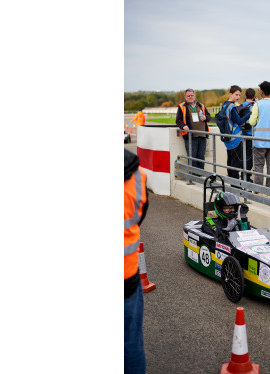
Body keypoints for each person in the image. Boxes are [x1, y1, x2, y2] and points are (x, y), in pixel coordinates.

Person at [124, 149, 149, 373]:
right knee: (131, 344)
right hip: (128, 278)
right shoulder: (138, 175)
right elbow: (140, 216)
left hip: (128, 277)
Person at [176, 89, 212, 175]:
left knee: (201, 157)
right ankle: (193, 176)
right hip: (190, 136)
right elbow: (178, 120)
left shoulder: (201, 105)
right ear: (185, 97)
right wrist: (183, 126)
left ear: (194, 96)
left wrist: (205, 117)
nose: (190, 97)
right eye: (188, 96)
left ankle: (200, 175)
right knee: (192, 157)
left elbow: (209, 117)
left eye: (192, 95)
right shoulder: (182, 106)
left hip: (202, 136)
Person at [220, 85, 252, 182]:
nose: (238, 97)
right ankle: (235, 185)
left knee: (230, 162)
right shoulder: (232, 107)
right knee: (236, 163)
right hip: (235, 139)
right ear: (230, 94)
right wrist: (250, 113)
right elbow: (239, 121)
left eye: (239, 95)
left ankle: (231, 183)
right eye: (236, 94)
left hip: (228, 138)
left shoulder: (224, 105)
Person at [235, 88, 257, 183]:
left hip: (242, 135)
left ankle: (241, 175)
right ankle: (247, 177)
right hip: (252, 135)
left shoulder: (240, 106)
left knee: (242, 156)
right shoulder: (255, 106)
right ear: (254, 96)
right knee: (249, 157)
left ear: (245, 96)